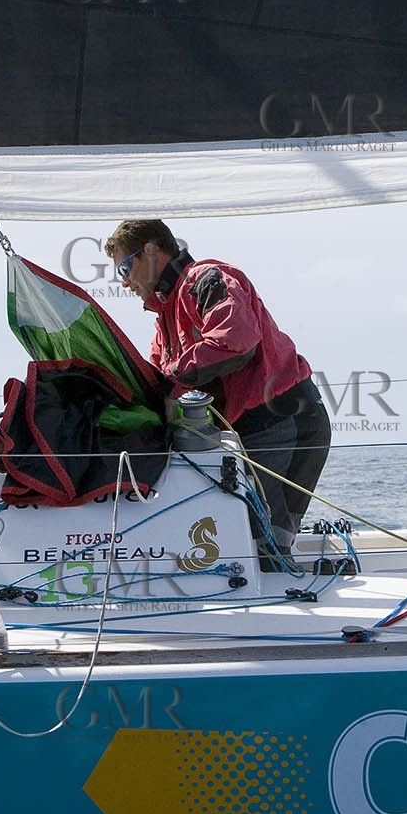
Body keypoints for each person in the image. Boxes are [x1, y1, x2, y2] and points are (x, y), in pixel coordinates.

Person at [106, 219, 331, 562]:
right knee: (254, 543)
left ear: (151, 251)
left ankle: (278, 596)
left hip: (283, 423)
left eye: (125, 266)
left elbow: (235, 342)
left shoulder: (205, 279)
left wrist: (173, 385)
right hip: (254, 429)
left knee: (261, 548)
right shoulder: (166, 315)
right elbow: (157, 376)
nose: (123, 281)